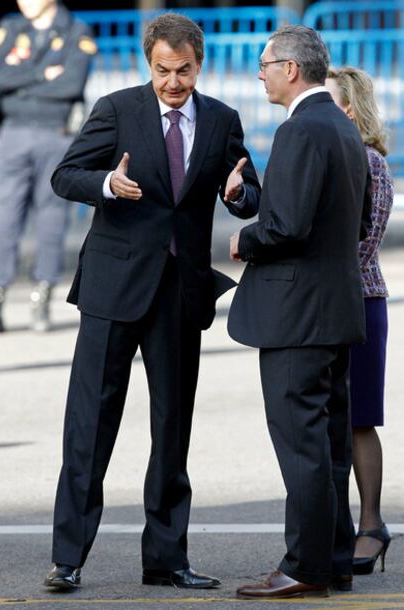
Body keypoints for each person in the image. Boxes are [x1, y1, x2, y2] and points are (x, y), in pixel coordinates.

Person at [44, 12, 260, 591]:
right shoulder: (117, 109)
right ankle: (68, 558)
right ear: (150, 64)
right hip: (113, 287)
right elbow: (66, 175)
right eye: (163, 71)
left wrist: (241, 196)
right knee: (90, 425)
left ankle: (166, 558)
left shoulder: (221, 120)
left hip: (179, 292)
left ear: (199, 64)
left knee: (173, 427)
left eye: (183, 71)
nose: (173, 83)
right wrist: (106, 186)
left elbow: (246, 190)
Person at [228, 25, 372, 599]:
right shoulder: (340, 126)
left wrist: (246, 237)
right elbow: (353, 223)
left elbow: (286, 225)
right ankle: (333, 557)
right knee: (329, 444)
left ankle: (305, 565)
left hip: (297, 314)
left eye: (264, 65)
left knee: (303, 445)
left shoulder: (301, 128)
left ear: (291, 69)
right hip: (334, 308)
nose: (259, 74)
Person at [0, 0, 95, 332]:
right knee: (3, 217)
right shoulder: (8, 28)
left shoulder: (76, 31)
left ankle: (42, 297)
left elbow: (71, 84)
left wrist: (21, 80)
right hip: (14, 134)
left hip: (56, 135)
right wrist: (43, 73)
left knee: (52, 217)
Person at [326, 67, 393, 575]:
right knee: (329, 420)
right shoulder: (328, 153)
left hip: (361, 302)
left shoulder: (370, 161)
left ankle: (371, 525)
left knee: (359, 419)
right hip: (323, 304)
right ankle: (335, 528)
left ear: (349, 109)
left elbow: (362, 244)